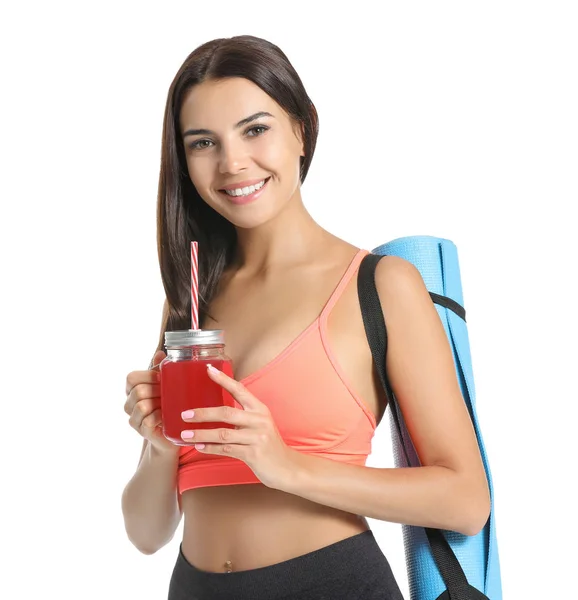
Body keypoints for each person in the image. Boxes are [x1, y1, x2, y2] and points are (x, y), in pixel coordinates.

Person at [121, 34, 491, 600]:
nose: (232, 162)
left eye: (255, 128)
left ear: (301, 129)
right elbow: (146, 534)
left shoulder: (380, 285)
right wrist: (162, 446)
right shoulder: (191, 302)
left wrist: (287, 466)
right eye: (203, 142)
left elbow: (465, 502)